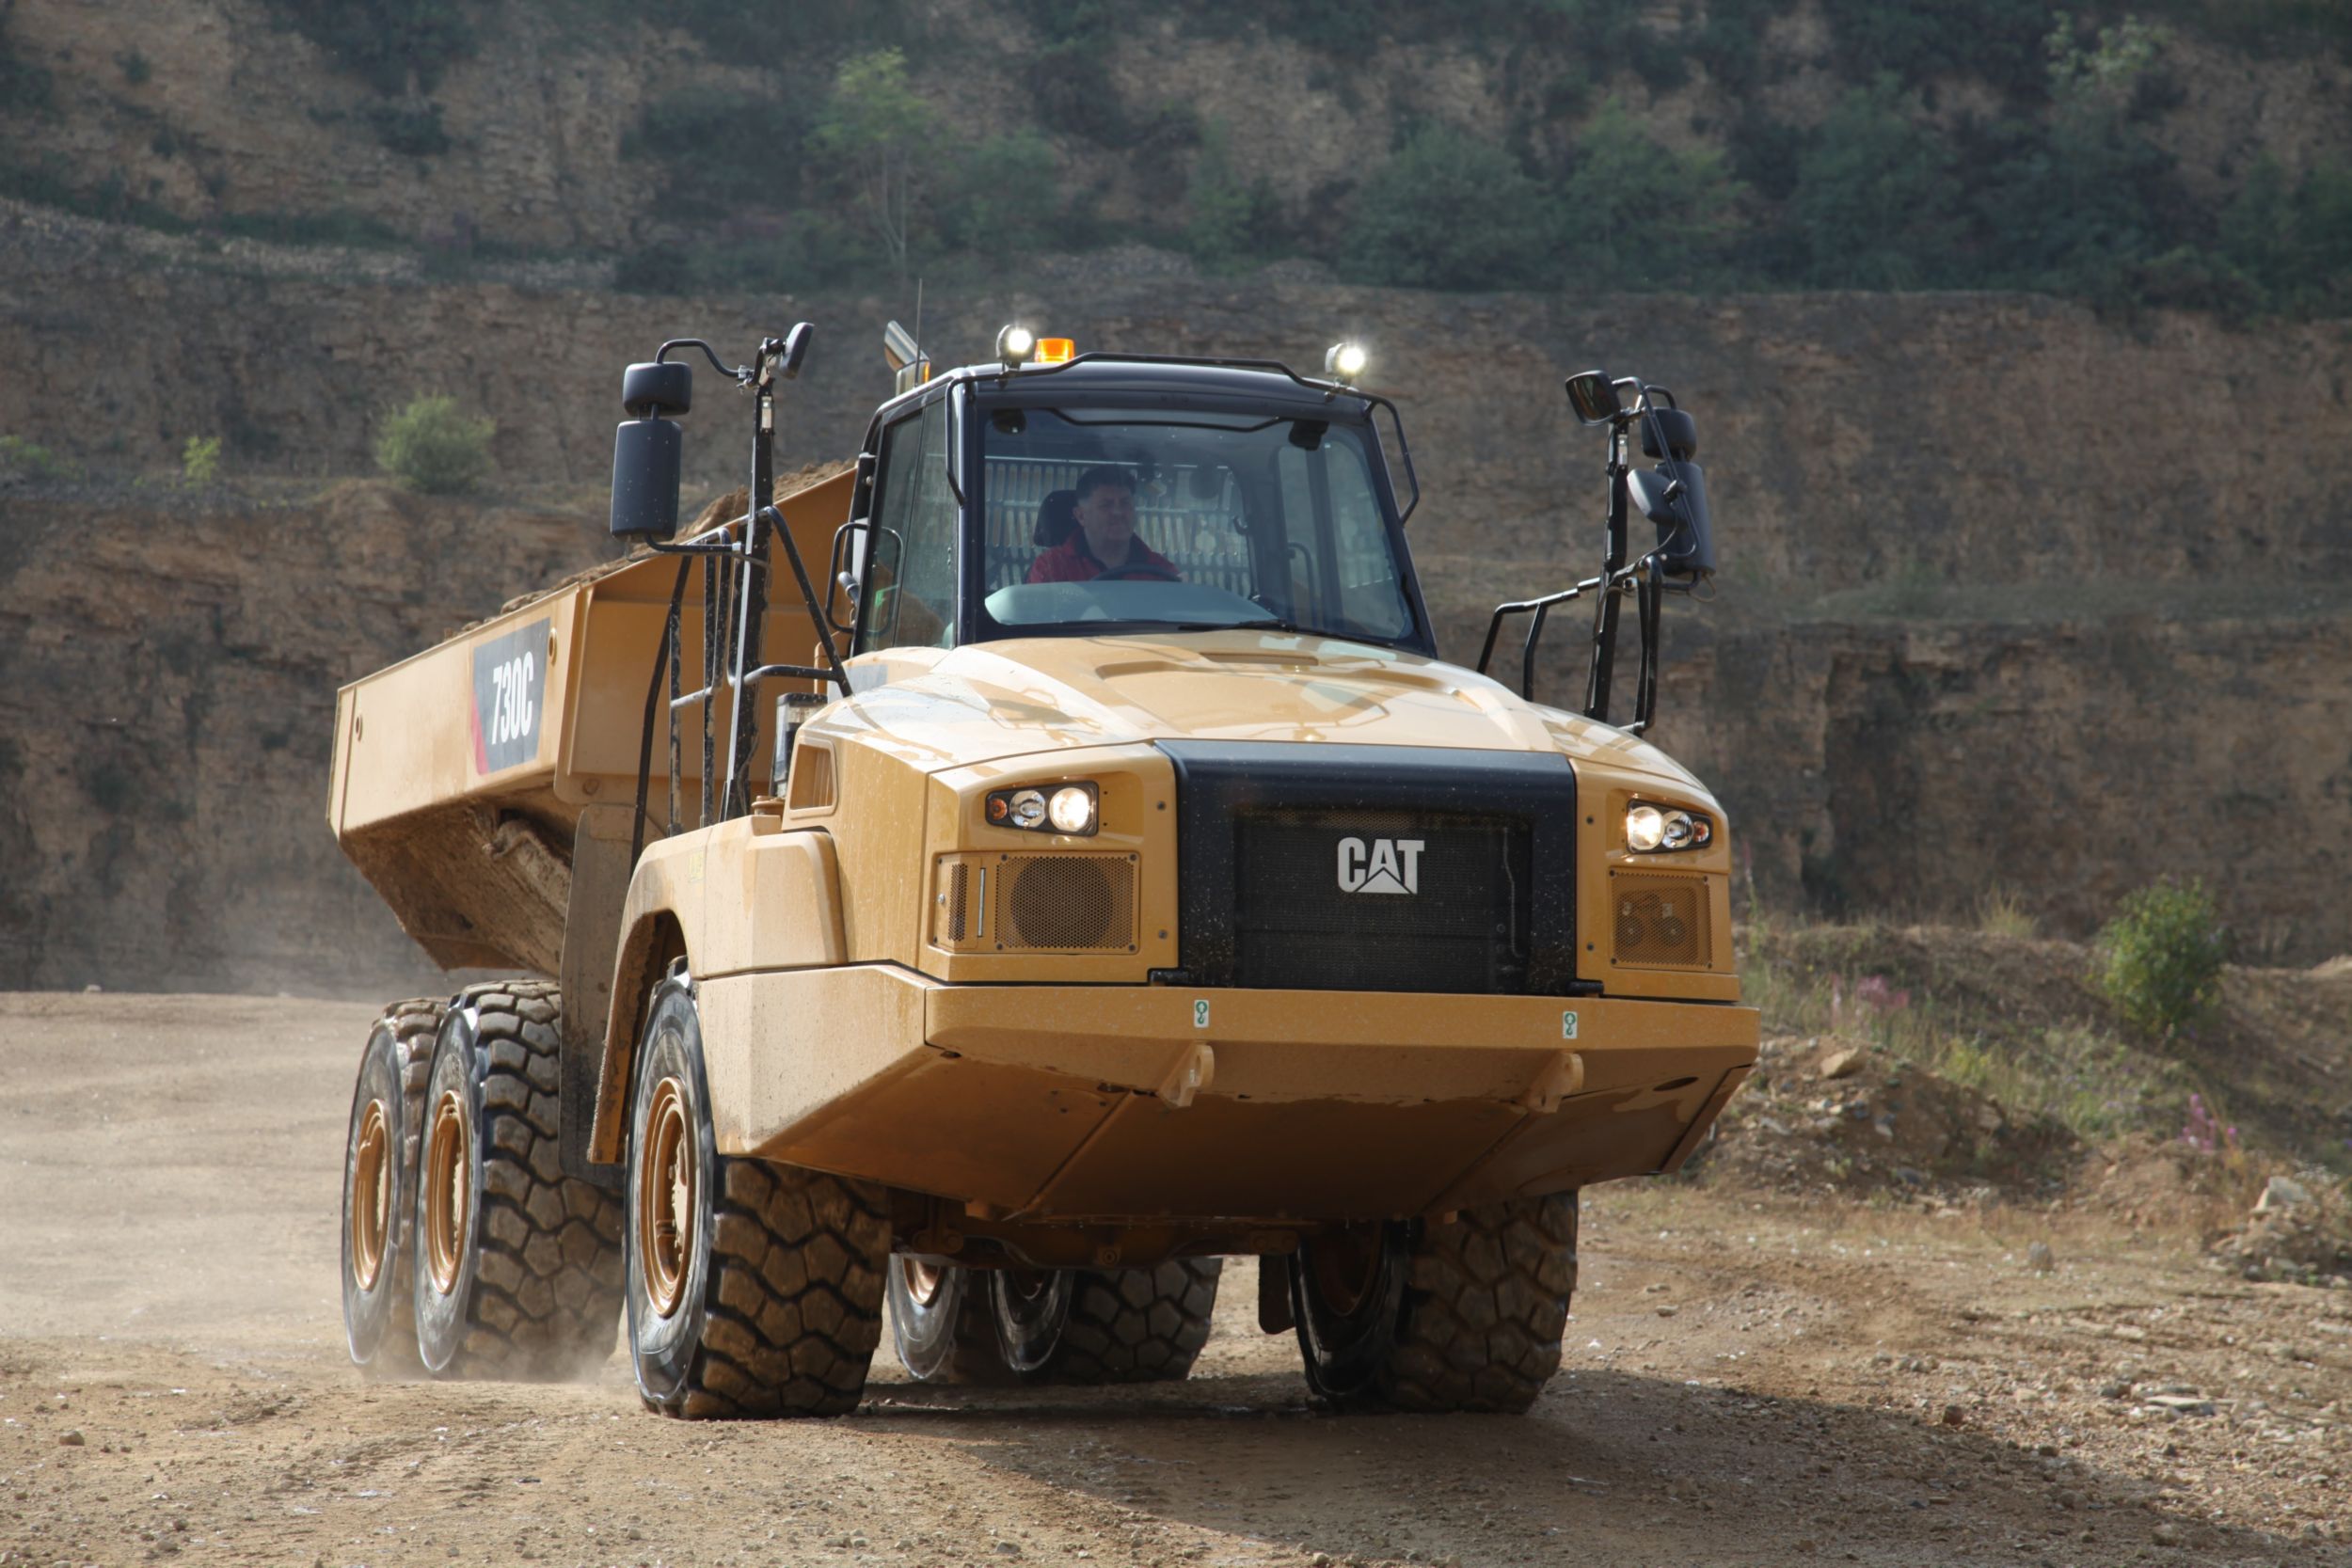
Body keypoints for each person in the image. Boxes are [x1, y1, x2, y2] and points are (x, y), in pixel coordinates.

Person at [1025, 466, 1180, 583]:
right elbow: (1038, 619)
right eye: (1106, 505)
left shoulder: (1160, 570)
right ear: (1080, 516)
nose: (1119, 512)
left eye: (1125, 503)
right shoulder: (1053, 567)